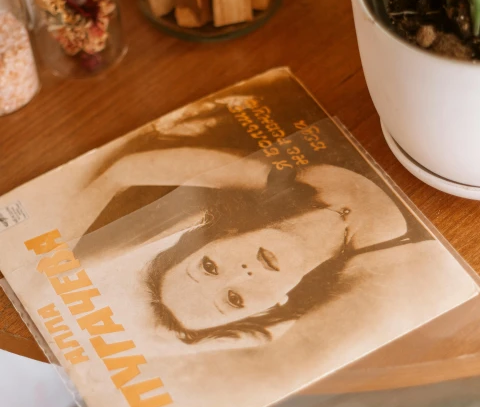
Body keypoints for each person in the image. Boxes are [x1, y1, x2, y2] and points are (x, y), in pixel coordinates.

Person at [73, 125, 432, 347]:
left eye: (209, 266)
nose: (241, 273)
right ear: (275, 305)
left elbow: (124, 171)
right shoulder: (379, 264)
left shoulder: (273, 182)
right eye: (233, 299)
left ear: (222, 236)